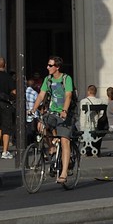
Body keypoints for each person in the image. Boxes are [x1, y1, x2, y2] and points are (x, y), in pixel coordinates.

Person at [33, 55, 75, 185]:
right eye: (48, 65)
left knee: (64, 141)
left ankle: (63, 173)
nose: (47, 67)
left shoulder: (66, 79)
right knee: (41, 126)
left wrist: (65, 111)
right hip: (52, 112)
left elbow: (68, 95)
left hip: (65, 113)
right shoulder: (48, 79)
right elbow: (41, 95)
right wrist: (33, 108)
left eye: (50, 65)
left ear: (57, 67)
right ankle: (52, 147)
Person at [0, 55, 15, 159]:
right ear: (5, 65)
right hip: (5, 103)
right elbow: (14, 91)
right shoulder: (8, 77)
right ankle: (5, 151)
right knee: (6, 127)